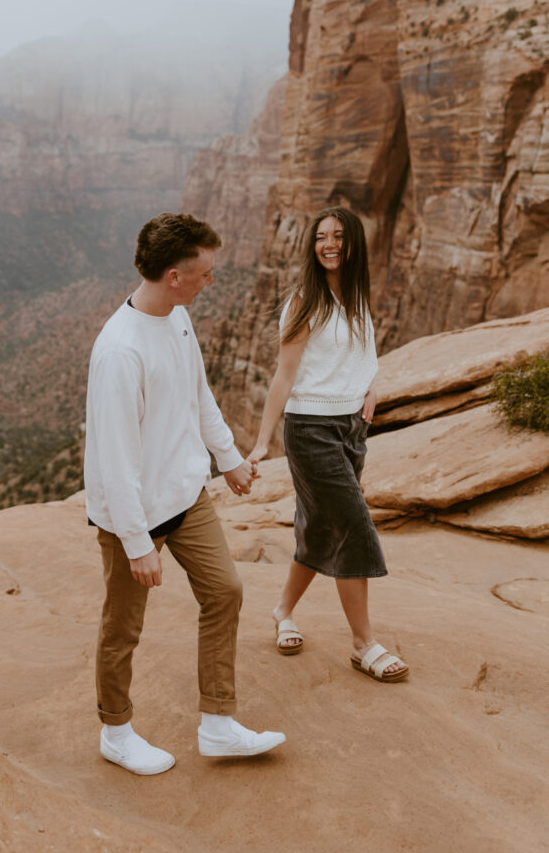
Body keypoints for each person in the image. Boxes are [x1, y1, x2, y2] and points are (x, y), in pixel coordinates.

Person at [84, 212, 286, 775]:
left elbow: (199, 394)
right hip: (136, 516)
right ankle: (116, 733)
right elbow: (115, 462)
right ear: (174, 275)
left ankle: (218, 725)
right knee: (123, 627)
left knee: (225, 591)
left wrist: (228, 460)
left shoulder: (175, 316)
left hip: (185, 496)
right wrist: (136, 542)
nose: (211, 281)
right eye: (205, 272)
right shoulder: (120, 353)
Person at [247, 206, 408, 682]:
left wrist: (369, 387)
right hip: (311, 431)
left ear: (354, 243)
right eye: (321, 237)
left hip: (351, 429)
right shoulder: (305, 301)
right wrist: (260, 442)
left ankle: (282, 611)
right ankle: (363, 644)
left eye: (338, 236)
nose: (329, 244)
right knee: (354, 526)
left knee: (318, 530)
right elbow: (284, 374)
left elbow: (360, 355)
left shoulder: (356, 296)